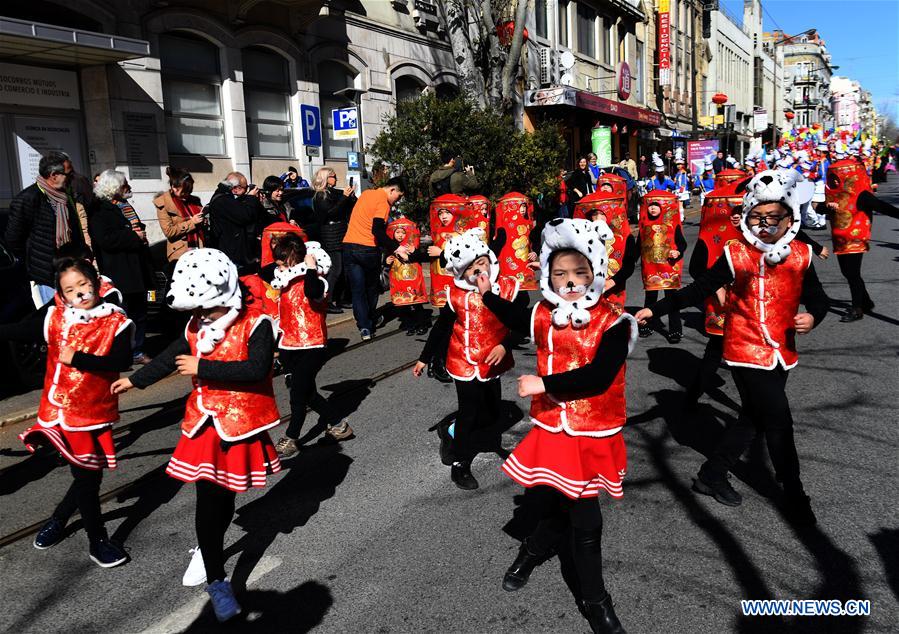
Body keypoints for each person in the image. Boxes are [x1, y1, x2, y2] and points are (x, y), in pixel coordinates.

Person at [636, 170, 829, 526]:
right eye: (758, 217)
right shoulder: (735, 252)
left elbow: (820, 299)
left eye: (775, 218)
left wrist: (813, 317)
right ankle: (794, 493)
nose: (766, 224)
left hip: (780, 351)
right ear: (748, 215)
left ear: (790, 218)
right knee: (778, 420)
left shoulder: (800, 254)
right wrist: (657, 308)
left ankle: (711, 475)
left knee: (753, 418)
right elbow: (699, 288)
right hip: (743, 349)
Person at [481, 217, 636, 634]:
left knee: (586, 518)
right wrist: (486, 294)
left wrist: (542, 382)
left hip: (592, 431)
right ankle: (533, 550)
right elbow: (516, 315)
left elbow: (600, 376)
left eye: (580, 273)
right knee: (552, 500)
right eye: (560, 274)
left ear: (596, 272)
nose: (570, 282)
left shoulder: (616, 323)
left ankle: (595, 600)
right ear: (548, 276)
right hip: (554, 428)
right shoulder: (544, 315)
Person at [112, 248, 282, 622]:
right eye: (195, 312)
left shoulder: (258, 324)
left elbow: (256, 369)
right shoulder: (195, 325)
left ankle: (209, 551)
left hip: (239, 427)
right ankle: (217, 578)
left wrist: (203, 365)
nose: (198, 318)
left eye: (204, 310)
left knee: (224, 499)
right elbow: (171, 356)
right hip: (204, 427)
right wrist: (134, 381)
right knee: (207, 499)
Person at [2, 257, 133, 567]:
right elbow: (17, 330)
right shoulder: (54, 317)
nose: (79, 293)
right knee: (87, 476)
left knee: (90, 474)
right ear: (60, 293)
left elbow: (121, 361)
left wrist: (78, 358)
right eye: (69, 289)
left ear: (96, 284)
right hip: (57, 412)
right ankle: (97, 540)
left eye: (84, 285)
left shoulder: (116, 320)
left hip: (92, 412)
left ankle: (59, 520)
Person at [413, 229, 525, 490]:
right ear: (460, 274)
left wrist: (504, 344)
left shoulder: (509, 288)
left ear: (490, 260)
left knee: (492, 413)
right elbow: (441, 329)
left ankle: (449, 428)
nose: (478, 272)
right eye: (470, 269)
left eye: (481, 264)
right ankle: (459, 461)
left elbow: (521, 324)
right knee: (470, 412)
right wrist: (424, 358)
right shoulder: (456, 296)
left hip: (493, 360)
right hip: (463, 361)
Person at [269, 234, 352, 459]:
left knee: (298, 394)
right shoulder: (283, 281)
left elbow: (312, 292)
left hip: (312, 344)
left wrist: (310, 267)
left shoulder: (317, 280)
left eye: (282, 258)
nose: (277, 263)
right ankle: (338, 425)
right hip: (288, 344)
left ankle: (292, 437)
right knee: (306, 391)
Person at [825, 142, 899, 322]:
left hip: (855, 237)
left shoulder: (861, 194)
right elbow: (821, 209)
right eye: (832, 178)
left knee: (852, 273)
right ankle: (865, 301)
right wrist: (825, 207)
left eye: (837, 178)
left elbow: (883, 207)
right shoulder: (834, 194)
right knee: (848, 272)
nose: (834, 182)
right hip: (840, 237)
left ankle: (857, 308)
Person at [89, 170, 153, 365]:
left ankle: (137, 350)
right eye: (124, 185)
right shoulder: (100, 211)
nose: (129, 188)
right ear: (114, 188)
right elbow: (105, 240)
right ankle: (121, 353)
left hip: (137, 269)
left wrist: (138, 235)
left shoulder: (124, 206)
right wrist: (134, 236)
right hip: (120, 271)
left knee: (139, 313)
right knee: (121, 314)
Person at [6, 151, 85, 306]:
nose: (72, 177)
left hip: (70, 268)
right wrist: (36, 263)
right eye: (69, 174)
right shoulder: (28, 198)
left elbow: (74, 230)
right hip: (47, 275)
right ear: (54, 175)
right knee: (56, 319)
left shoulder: (64, 197)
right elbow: (13, 240)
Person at [342, 177, 408, 340]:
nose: (396, 201)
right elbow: (377, 230)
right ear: (392, 190)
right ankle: (370, 318)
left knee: (357, 290)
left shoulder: (366, 194)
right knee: (372, 288)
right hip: (367, 249)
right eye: (398, 196)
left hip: (349, 246)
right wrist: (397, 247)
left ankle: (364, 327)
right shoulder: (383, 203)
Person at [638, 192, 686, 342]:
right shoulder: (644, 224)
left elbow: (682, 244)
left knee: (671, 299)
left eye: (656, 206)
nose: (652, 209)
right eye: (650, 205)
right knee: (650, 298)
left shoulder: (673, 224)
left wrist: (677, 252)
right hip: (650, 268)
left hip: (669, 268)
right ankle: (647, 325)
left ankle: (675, 330)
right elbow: (637, 246)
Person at [311, 167, 357, 314]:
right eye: (333, 176)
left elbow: (350, 206)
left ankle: (341, 298)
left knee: (344, 269)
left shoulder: (334, 192)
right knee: (335, 268)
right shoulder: (320, 195)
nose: (336, 179)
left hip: (342, 231)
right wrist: (344, 198)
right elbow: (330, 213)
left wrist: (351, 196)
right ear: (325, 178)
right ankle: (328, 300)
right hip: (330, 233)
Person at [205, 172, 263, 274]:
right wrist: (251, 198)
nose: (246, 191)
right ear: (235, 188)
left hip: (234, 253)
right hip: (231, 256)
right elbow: (245, 216)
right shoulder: (223, 201)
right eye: (245, 188)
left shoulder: (226, 199)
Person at [385, 218, 429, 335]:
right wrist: (387, 261)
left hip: (413, 279)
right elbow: (386, 263)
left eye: (403, 232)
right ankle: (410, 325)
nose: (400, 235)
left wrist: (413, 253)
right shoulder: (390, 246)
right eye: (398, 232)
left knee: (416, 303)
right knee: (404, 305)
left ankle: (422, 324)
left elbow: (420, 257)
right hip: (399, 279)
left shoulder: (411, 245)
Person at [154, 167, 205, 264]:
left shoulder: (194, 200)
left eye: (189, 191)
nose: (187, 195)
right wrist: (191, 223)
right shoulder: (162, 203)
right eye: (184, 192)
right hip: (180, 253)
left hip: (199, 248)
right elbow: (169, 232)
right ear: (174, 187)